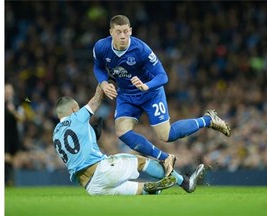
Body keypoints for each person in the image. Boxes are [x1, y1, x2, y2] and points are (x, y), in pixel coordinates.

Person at [92, 15, 231, 176]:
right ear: (111, 32)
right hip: (126, 96)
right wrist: (103, 83)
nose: (122, 36)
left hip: (150, 94)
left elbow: (163, 76)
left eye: (125, 31)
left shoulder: (141, 49)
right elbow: (98, 67)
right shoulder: (101, 47)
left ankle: (208, 119)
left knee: (166, 135)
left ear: (130, 31)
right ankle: (165, 158)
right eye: (118, 32)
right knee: (122, 132)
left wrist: (146, 85)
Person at [52, 85, 204, 195]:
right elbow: (97, 99)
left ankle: (152, 188)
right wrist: (104, 79)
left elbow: (77, 151)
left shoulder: (56, 134)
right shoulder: (77, 117)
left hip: (91, 187)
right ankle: (184, 182)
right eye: (77, 108)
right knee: (141, 161)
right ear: (73, 109)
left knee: (140, 190)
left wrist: (92, 133)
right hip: (102, 170)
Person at [5, 83, 25, 186]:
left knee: (13, 159)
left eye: (9, 91)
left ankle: (9, 180)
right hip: (4, 136)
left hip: (14, 136)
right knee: (6, 157)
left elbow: (21, 119)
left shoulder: (16, 104)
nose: (8, 93)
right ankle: (7, 180)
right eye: (6, 91)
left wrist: (13, 111)